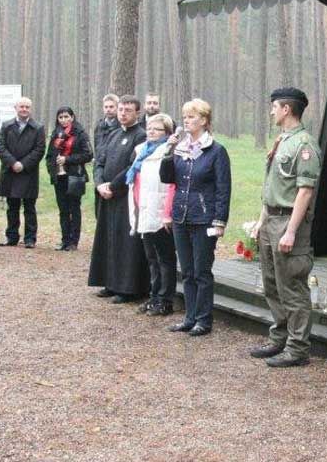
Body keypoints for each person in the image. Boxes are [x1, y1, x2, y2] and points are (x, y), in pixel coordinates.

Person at [247, 88, 322, 368]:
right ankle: (279, 338)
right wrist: (261, 220)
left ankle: (298, 348)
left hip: (290, 222)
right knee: (272, 284)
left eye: (274, 107)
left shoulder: (304, 145)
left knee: (292, 286)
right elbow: (272, 187)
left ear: (286, 109)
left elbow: (305, 191)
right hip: (271, 219)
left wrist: (291, 230)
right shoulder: (282, 141)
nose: (271, 111)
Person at [160, 98, 231, 337]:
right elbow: (167, 178)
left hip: (204, 218)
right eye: (185, 117)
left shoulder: (216, 151)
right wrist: (168, 152)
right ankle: (189, 317)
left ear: (203, 120)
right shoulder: (180, 149)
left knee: (202, 271)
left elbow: (223, 189)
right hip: (181, 216)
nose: (186, 121)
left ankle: (203, 319)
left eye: (191, 117)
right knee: (187, 271)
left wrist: (220, 220)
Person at [88, 95, 149, 303]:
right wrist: (99, 184)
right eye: (121, 109)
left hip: (125, 196)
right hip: (106, 195)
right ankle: (109, 282)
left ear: (137, 113)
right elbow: (99, 161)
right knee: (108, 238)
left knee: (125, 242)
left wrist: (113, 186)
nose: (123, 114)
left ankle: (126, 287)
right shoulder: (113, 134)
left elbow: (134, 166)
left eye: (128, 110)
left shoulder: (141, 136)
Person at [128, 113, 178, 316]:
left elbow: (171, 184)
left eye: (157, 129)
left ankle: (165, 299)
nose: (151, 132)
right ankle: (154, 296)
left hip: (161, 209)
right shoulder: (141, 151)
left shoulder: (170, 150)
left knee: (165, 258)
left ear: (166, 132)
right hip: (144, 209)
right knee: (151, 258)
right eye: (149, 128)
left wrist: (167, 212)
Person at [0, 97, 46, 249]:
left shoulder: (38, 128)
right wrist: (13, 163)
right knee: (12, 207)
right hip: (10, 171)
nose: (24, 109)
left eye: (27, 107)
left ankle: (30, 239)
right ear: (16, 108)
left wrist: (23, 164)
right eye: (21, 106)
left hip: (28, 172)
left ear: (30, 109)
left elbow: (39, 150)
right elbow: (0, 147)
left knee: (29, 207)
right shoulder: (6, 126)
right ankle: (11, 237)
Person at [45, 106, 93, 251]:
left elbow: (88, 155)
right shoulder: (56, 133)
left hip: (74, 176)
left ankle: (73, 241)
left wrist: (67, 159)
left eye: (66, 117)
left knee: (74, 208)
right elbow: (50, 155)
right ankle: (65, 239)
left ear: (72, 117)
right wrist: (51, 169)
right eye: (61, 117)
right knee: (63, 209)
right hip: (59, 176)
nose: (64, 120)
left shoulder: (80, 133)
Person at [93, 94, 120, 216]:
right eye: (106, 107)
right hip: (99, 168)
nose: (108, 109)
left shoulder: (121, 127)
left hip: (113, 170)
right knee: (99, 210)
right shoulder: (99, 126)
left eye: (111, 107)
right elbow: (97, 147)